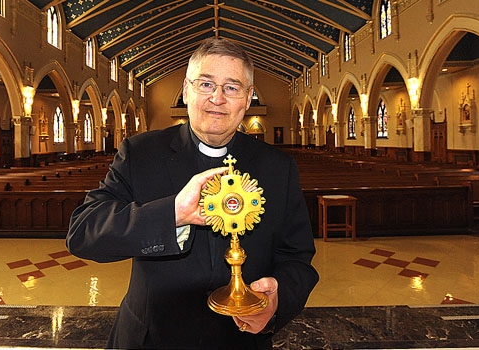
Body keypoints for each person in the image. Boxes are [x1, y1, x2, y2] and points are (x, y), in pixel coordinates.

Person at [67, 37, 319, 349]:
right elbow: (83, 232)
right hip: (151, 337)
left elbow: (298, 258)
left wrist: (278, 300)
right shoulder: (140, 153)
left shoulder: (277, 167)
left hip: (240, 339)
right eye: (205, 84)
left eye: (232, 87)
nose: (217, 98)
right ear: (186, 90)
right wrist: (172, 213)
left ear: (249, 97)